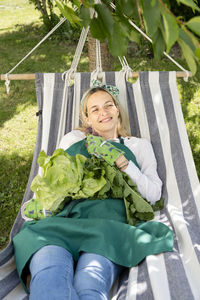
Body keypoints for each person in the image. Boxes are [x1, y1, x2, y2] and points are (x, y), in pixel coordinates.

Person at [13, 81, 173, 300]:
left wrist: (122, 163)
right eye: (95, 110)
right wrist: (40, 205)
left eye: (108, 105)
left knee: (89, 285)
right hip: (61, 224)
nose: (103, 113)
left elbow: (153, 194)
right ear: (86, 119)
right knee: (49, 276)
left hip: (108, 227)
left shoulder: (138, 146)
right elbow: (50, 181)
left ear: (118, 109)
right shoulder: (73, 139)